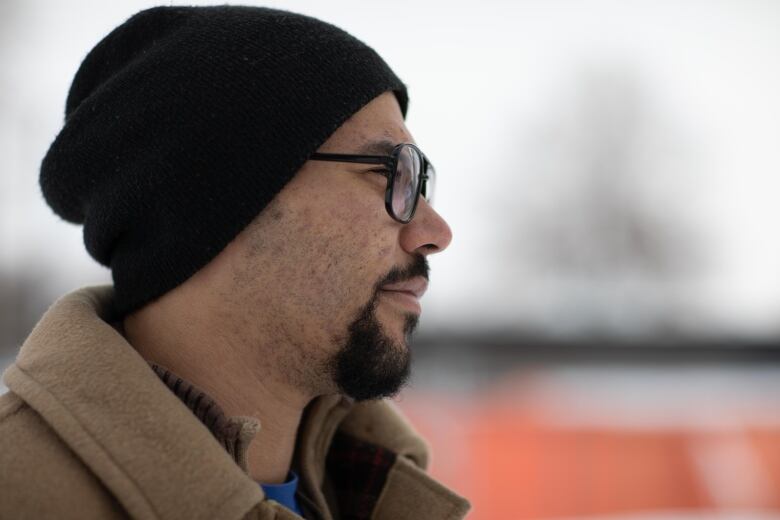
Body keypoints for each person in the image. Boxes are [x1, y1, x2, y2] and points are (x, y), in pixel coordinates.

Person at [0, 5, 471, 520]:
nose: (435, 233)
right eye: (390, 174)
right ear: (218, 203)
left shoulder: (373, 491)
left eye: (420, 182)